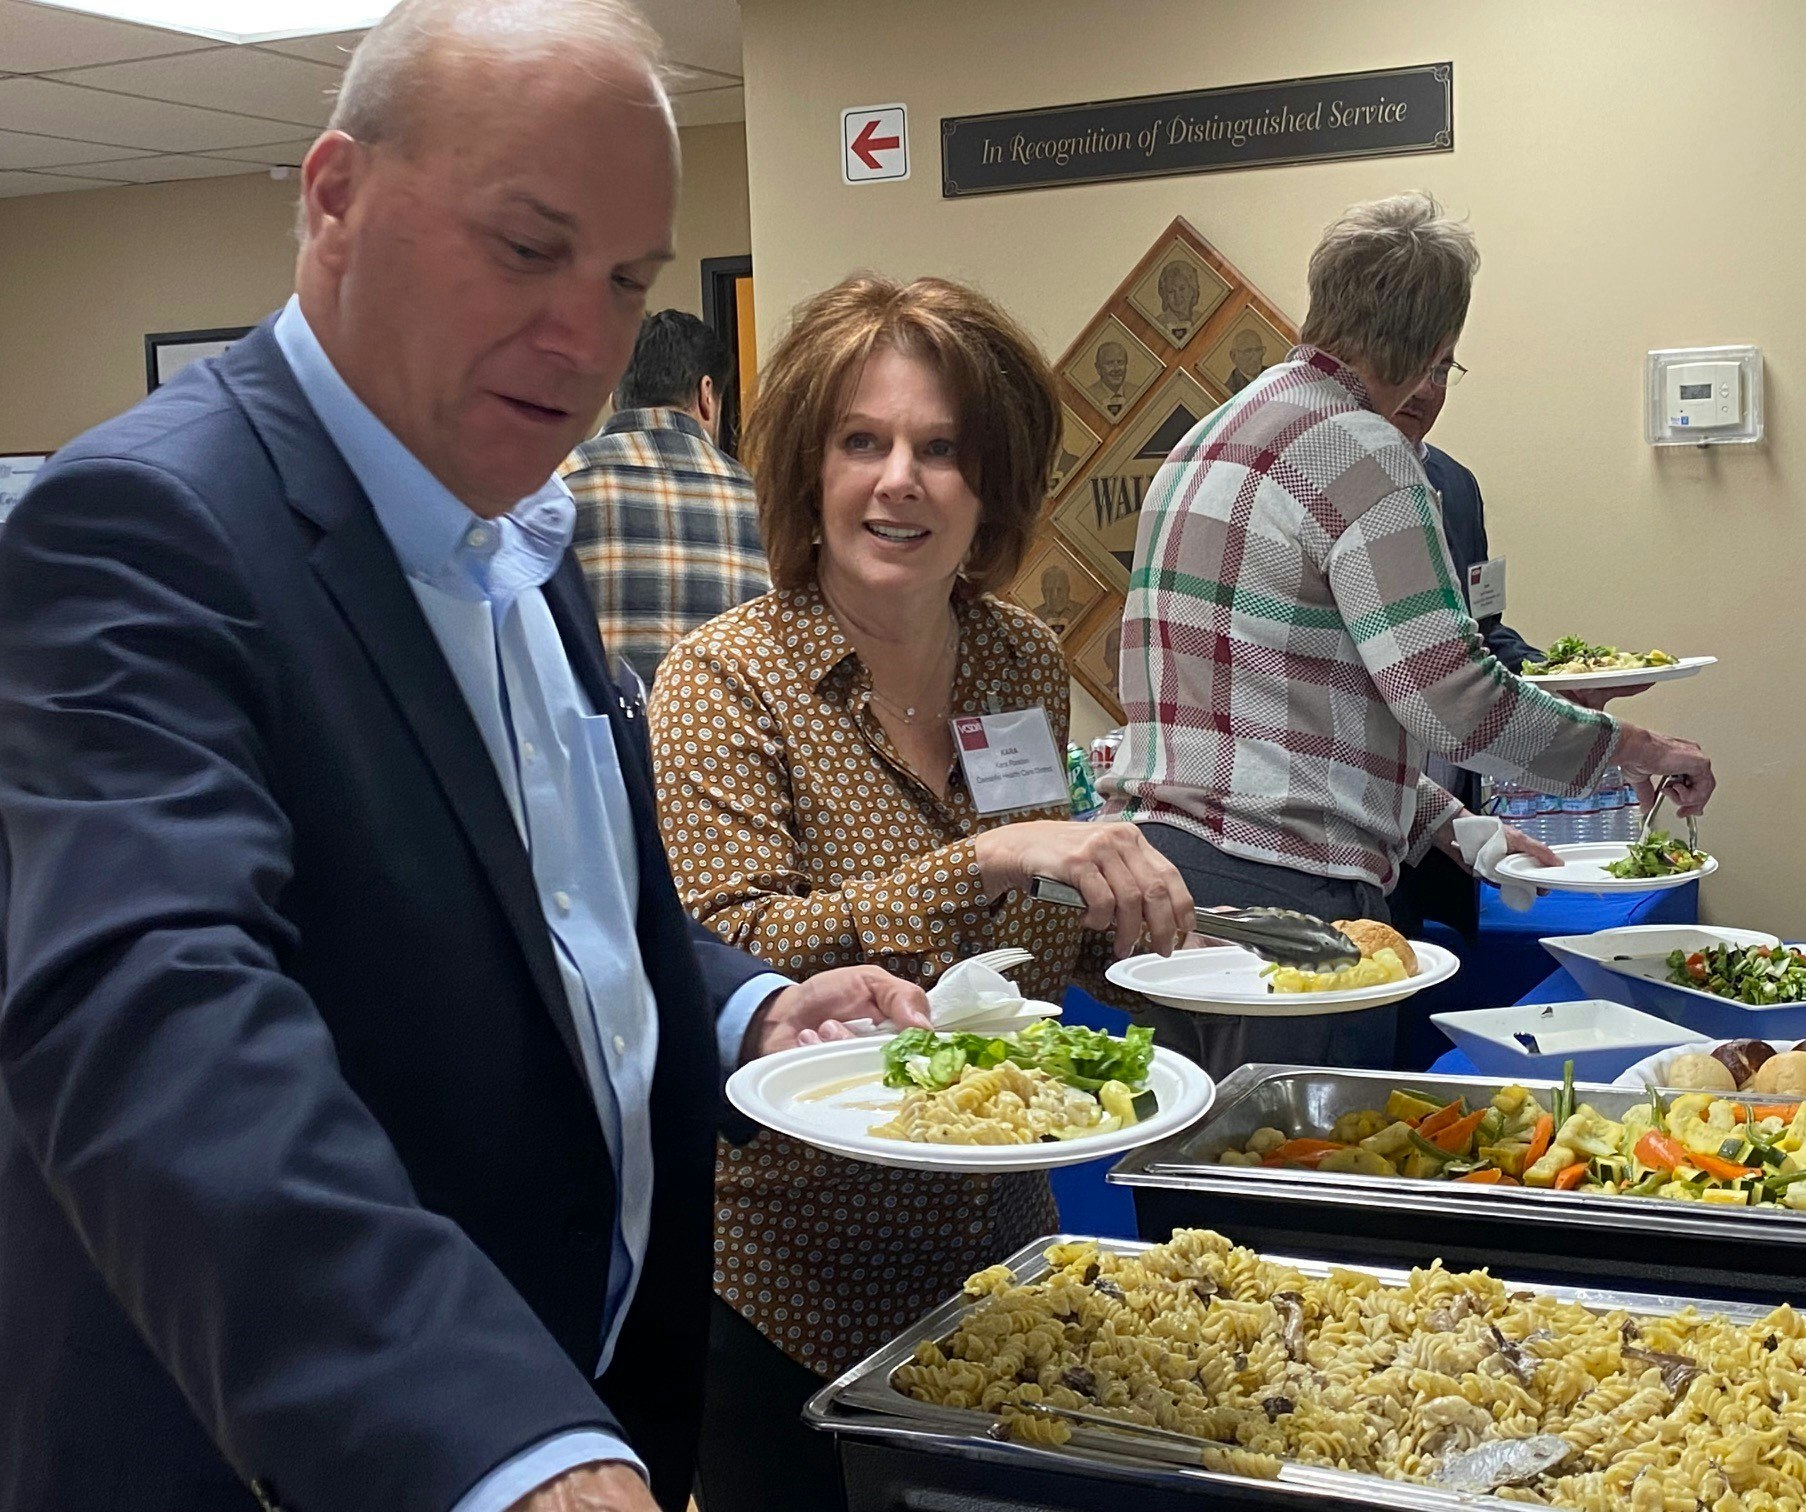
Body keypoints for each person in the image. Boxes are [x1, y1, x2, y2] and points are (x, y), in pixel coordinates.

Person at [0, 5, 927, 1512]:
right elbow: (156, 1027)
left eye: (626, 279)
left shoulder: (509, 525)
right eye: (524, 247)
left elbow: (540, 912)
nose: (584, 334)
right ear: (333, 198)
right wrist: (504, 1443)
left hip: (587, 1398)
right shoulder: (147, 526)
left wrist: (745, 1001)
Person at [647, 274, 1194, 1510]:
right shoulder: (724, 682)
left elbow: (1026, 951)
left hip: (997, 1264)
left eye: (941, 448)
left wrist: (1139, 936)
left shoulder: (1018, 654)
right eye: (863, 441)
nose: (900, 480)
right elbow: (737, 947)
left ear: (990, 482)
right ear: (807, 467)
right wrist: (990, 857)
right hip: (787, 1286)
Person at [1104, 193, 1715, 1078]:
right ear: (1436, 343)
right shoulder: (1366, 454)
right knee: (1296, 1180)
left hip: (1165, 883)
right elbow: (1455, 702)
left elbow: (1293, 716)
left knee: (1180, 1169)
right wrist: (1631, 747)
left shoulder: (1208, 438)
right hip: (1295, 899)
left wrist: (1463, 830)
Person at [561, 308, 771, 688]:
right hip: (724, 744)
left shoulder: (556, 486)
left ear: (614, 395)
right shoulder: (762, 503)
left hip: (596, 745)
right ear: (707, 394)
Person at [1152, 258, 1202, 340]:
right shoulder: (1157, 326)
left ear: (1192, 289)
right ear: (1164, 295)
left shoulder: (1202, 319)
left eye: (1182, 289)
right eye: (1171, 291)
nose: (1177, 297)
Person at [1032, 562, 1086, 635]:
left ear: (1068, 589)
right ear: (1043, 591)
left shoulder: (1083, 612)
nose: (1054, 596)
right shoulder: (1033, 616)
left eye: (1059, 589)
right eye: (1049, 590)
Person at [1087, 338, 1137, 416]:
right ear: (1098, 368)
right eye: (1110, 363)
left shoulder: (1138, 393)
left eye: (1120, 362)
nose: (1116, 368)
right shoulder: (1088, 397)